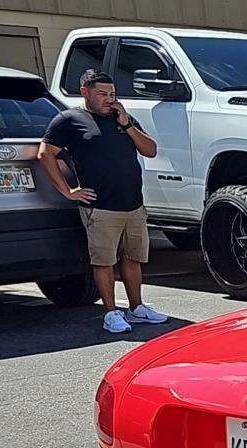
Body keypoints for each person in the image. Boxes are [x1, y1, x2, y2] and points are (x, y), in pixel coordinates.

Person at [37, 69, 166, 333]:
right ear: (85, 92)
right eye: (102, 94)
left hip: (133, 203)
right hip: (100, 206)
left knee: (134, 258)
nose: (109, 99)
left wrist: (127, 124)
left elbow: (150, 150)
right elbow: (45, 153)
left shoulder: (123, 119)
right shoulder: (70, 120)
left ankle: (137, 307)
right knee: (104, 261)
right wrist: (68, 191)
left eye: (112, 94)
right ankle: (110, 312)